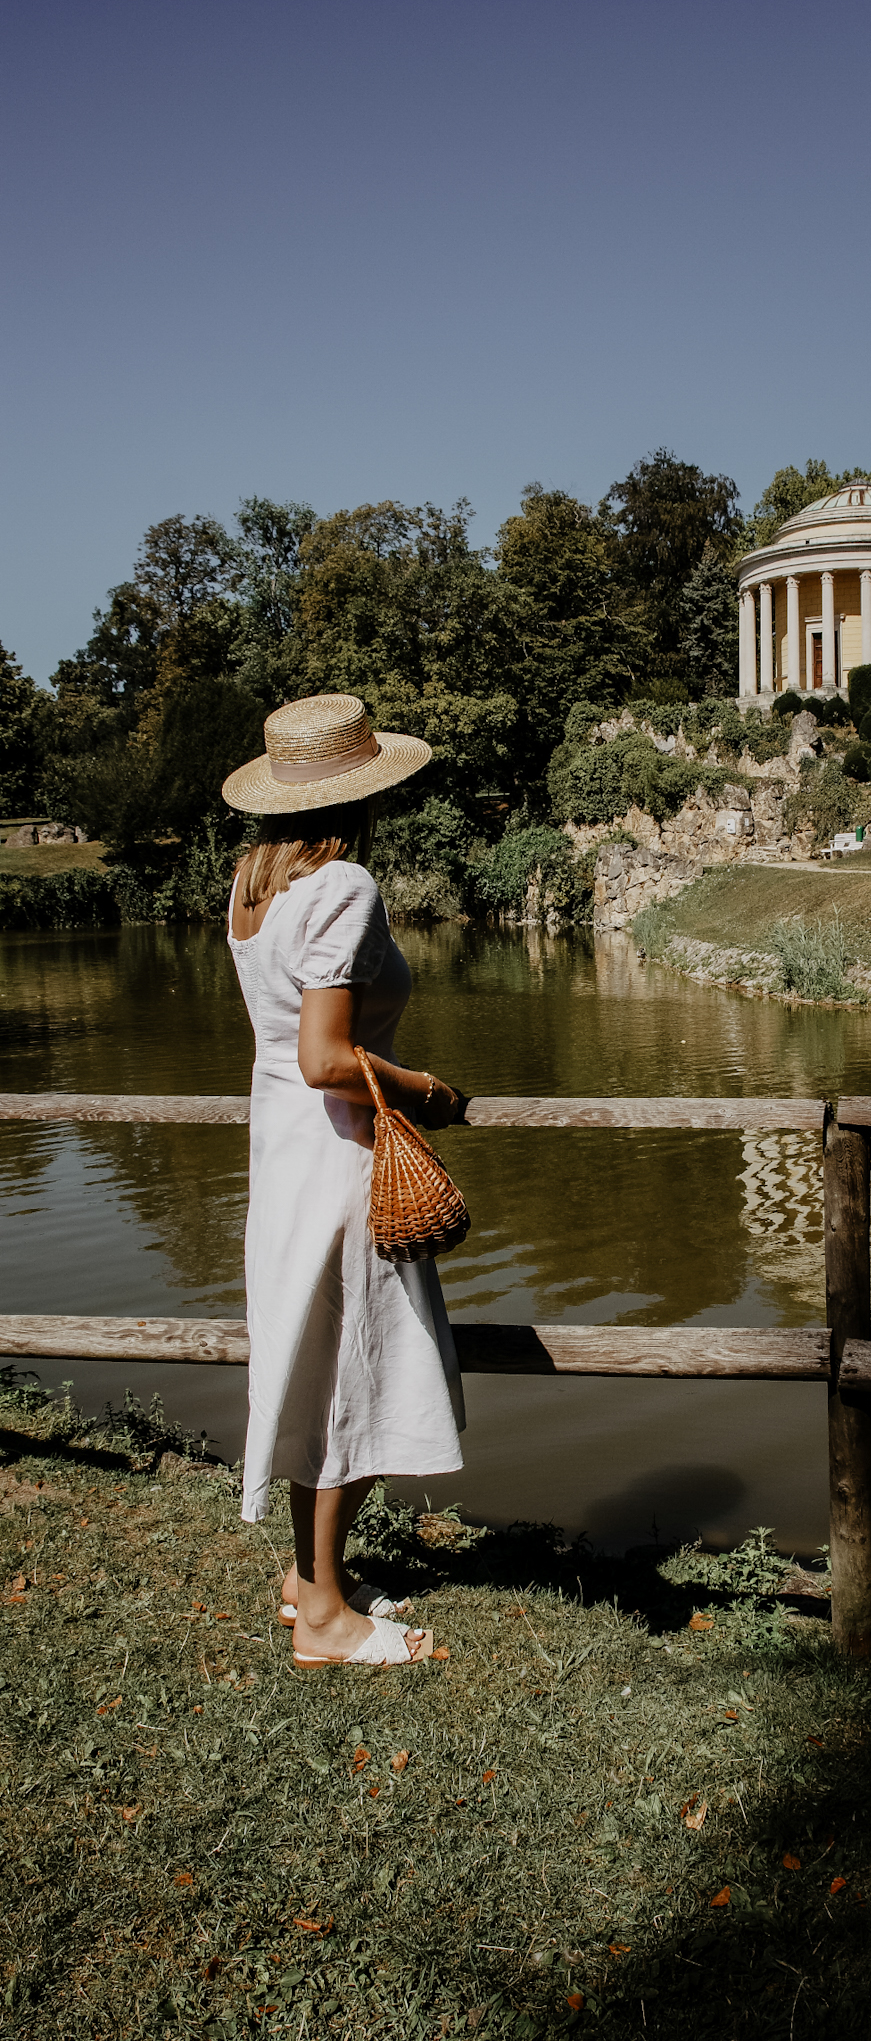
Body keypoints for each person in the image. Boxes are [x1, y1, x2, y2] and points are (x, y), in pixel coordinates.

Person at [222, 693, 466, 1668]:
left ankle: (308, 1578)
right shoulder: (345, 886)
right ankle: (325, 1621)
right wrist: (431, 1091)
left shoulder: (251, 884)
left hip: (283, 1154)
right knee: (357, 1378)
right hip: (340, 1159)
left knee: (322, 1369)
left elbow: (290, 1045)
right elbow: (327, 1056)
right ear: (364, 791)